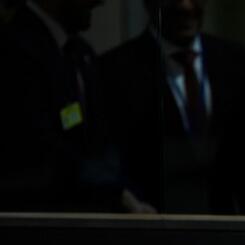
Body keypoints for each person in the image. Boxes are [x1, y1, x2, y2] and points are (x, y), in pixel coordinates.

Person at [101, 0, 245, 215]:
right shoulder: (115, 71)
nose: (186, 6)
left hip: (223, 228)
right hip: (154, 227)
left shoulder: (234, 60)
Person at [0, 0, 147, 212]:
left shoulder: (80, 53)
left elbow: (100, 142)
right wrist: (114, 193)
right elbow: (38, 153)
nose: (100, 2)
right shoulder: (14, 51)